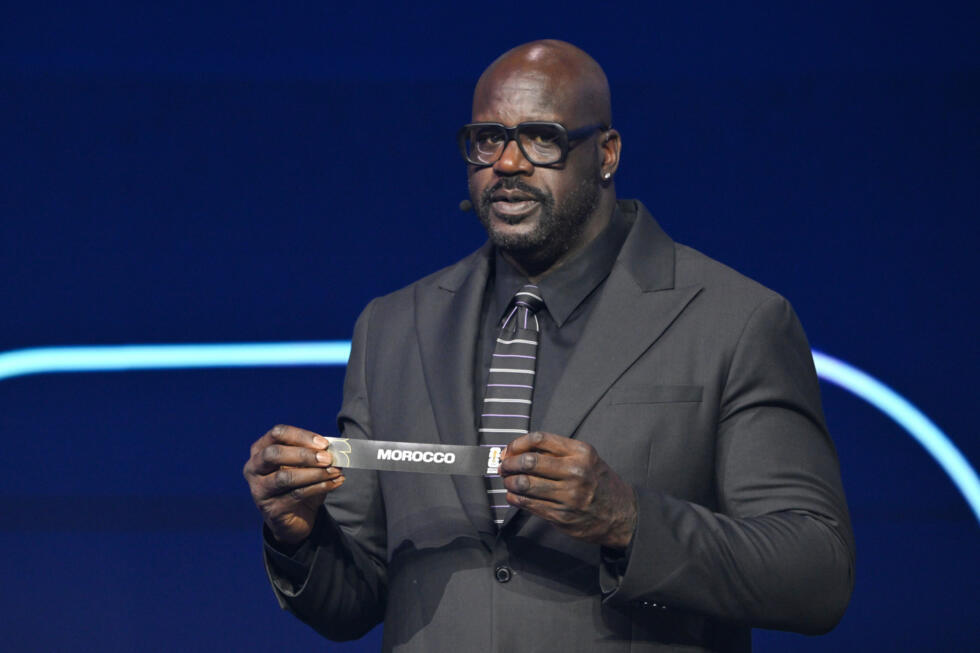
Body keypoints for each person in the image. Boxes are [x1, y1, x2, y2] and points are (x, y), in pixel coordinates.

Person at [243, 40, 855, 652]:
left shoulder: (735, 319)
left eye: (541, 138)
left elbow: (815, 573)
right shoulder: (393, 327)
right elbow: (355, 599)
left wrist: (630, 522)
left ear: (607, 154)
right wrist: (302, 535)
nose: (507, 163)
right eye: (488, 139)